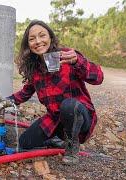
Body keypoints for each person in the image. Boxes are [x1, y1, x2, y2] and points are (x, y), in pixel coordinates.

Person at [7, 20, 103, 164]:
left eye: (42, 36)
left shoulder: (67, 56)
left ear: (50, 38)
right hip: (55, 120)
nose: (38, 41)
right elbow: (25, 93)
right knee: (24, 143)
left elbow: (98, 78)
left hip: (80, 118)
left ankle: (72, 147)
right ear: (28, 45)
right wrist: (4, 101)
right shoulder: (35, 69)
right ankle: (57, 140)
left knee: (69, 105)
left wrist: (78, 62)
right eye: (32, 39)